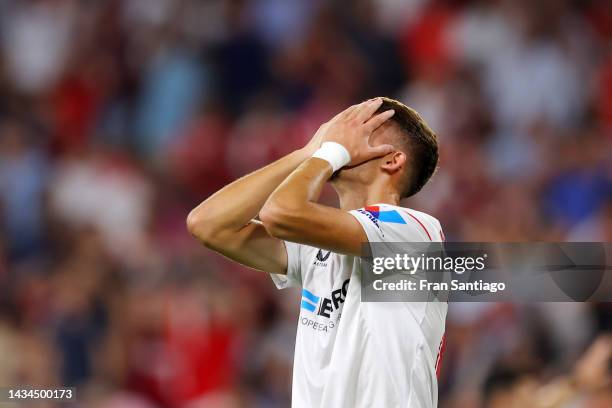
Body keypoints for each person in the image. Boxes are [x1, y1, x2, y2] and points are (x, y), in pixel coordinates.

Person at [187, 97, 446, 407]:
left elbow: (279, 213)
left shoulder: (415, 232)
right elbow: (208, 224)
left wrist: (331, 153)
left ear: (392, 161)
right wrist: (306, 152)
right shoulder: (317, 246)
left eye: (362, 129)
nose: (340, 134)